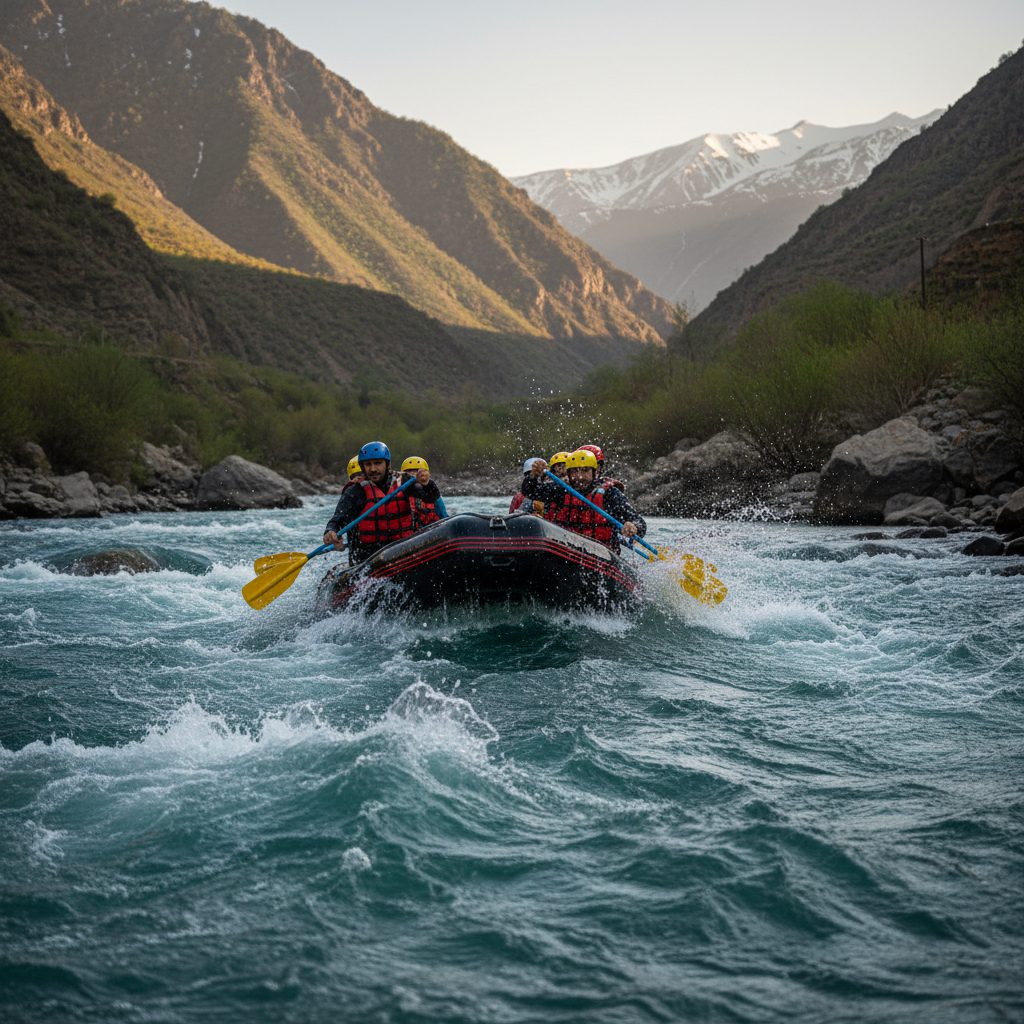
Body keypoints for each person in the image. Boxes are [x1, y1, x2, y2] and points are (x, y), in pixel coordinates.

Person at [323, 441, 441, 563]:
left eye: (378, 463)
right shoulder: (355, 491)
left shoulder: (404, 481)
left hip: (403, 551)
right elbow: (337, 519)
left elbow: (431, 497)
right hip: (369, 558)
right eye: (368, 464)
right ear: (363, 467)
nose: (373, 469)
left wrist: (427, 484)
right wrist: (331, 531)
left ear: (387, 464)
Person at [521, 449, 645, 554]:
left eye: (585, 470)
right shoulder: (560, 490)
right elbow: (530, 491)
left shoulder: (610, 494)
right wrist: (533, 476)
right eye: (574, 471)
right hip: (565, 550)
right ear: (568, 474)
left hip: (601, 556)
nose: (579, 476)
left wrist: (633, 527)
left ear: (595, 473)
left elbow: (639, 522)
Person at [400, 456, 446, 528]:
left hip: (431, 530)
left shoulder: (432, 491)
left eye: (416, 471)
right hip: (410, 533)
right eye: (409, 471)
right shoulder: (400, 492)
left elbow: (444, 516)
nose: (414, 474)